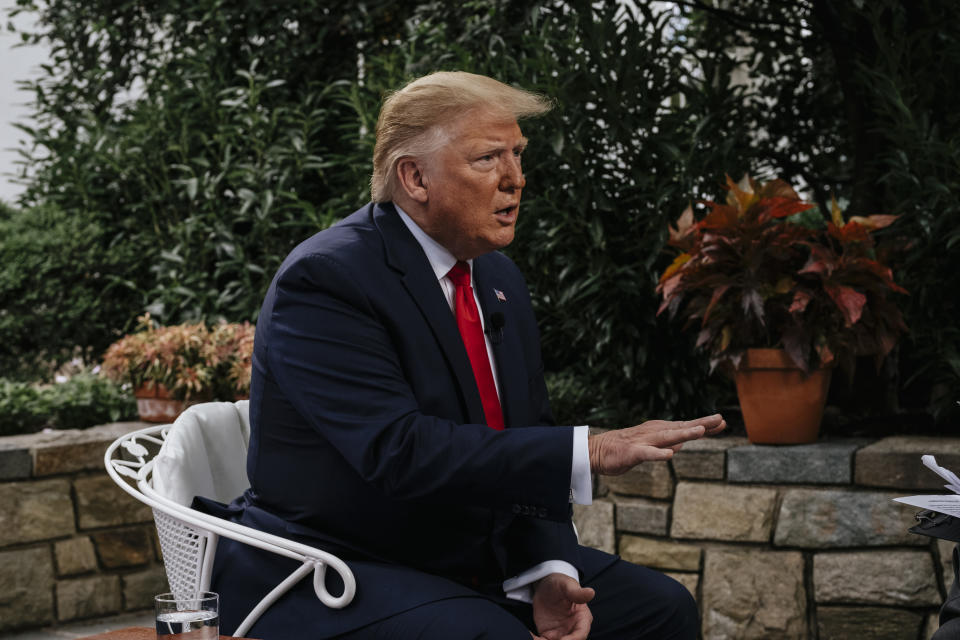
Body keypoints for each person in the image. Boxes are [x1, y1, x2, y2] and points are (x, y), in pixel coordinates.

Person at [203, 70, 726, 639]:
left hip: (468, 558)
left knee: (662, 608)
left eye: (519, 155)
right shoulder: (327, 279)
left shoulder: (497, 276)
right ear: (415, 177)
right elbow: (398, 451)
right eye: (487, 159)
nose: (515, 179)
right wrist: (591, 450)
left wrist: (546, 569)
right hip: (336, 564)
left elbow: (525, 432)